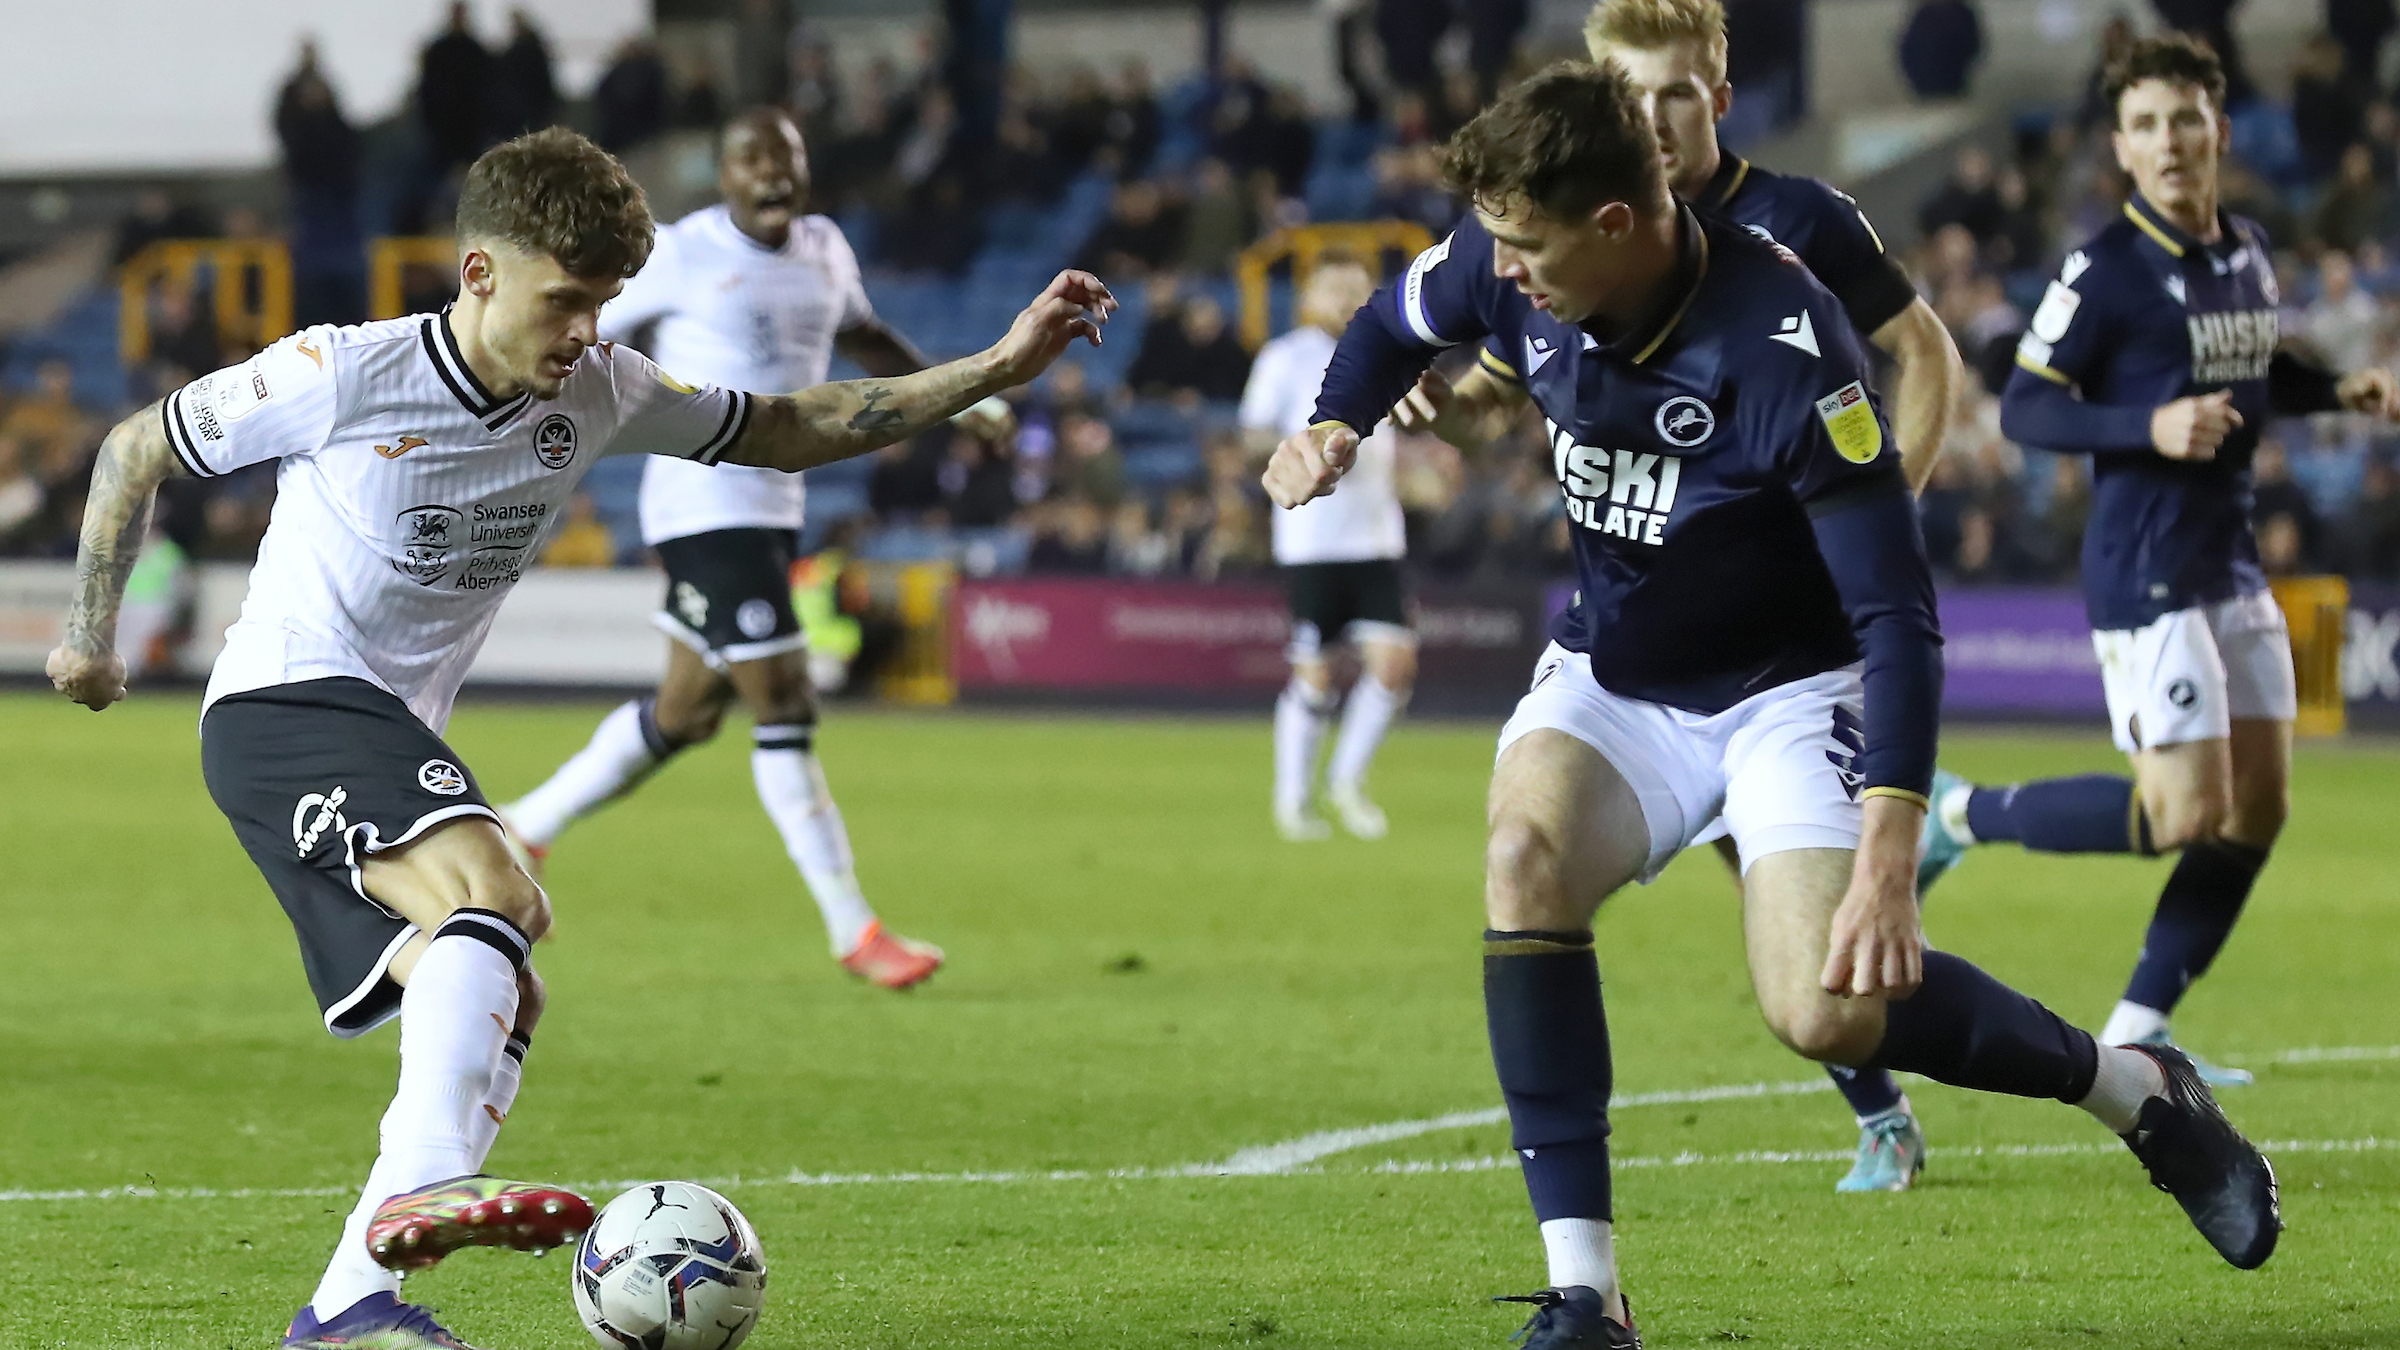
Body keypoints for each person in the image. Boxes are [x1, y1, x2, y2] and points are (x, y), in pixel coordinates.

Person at [1265, 63, 2278, 1350]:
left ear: (1616, 226)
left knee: (1824, 1009)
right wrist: (1335, 426)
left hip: (1792, 691)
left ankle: (2134, 1089)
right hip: (1620, 672)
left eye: (1528, 247)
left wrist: (1894, 856)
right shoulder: (1500, 256)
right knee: (1521, 858)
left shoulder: (1783, 347)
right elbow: (1388, 327)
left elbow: (1898, 618)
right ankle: (1588, 1298)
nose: (1502, 270)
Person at [44, 126, 1108, 1350]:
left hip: (371, 724)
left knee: (511, 973)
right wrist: (89, 635)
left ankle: (348, 1305)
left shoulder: (601, 389)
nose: (587, 330)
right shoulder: (342, 371)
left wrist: (990, 367)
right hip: (287, 703)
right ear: (480, 272)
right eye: (565, 300)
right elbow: (137, 446)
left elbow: (792, 422)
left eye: (603, 302)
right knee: (493, 886)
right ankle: (422, 1188)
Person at [1398, 0, 1969, 1194]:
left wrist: (1882, 505)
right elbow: (1504, 371)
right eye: (1625, 91)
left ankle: (1910, 883)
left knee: (1788, 905)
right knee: (1699, 860)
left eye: (1672, 92)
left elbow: (1923, 351)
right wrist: (1437, 404)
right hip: (1648, 633)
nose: (1649, 117)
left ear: (1718, 91)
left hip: (1790, 652)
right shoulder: (1560, 233)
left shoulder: (1799, 226)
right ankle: (1877, 1093)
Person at [1920, 35, 2400, 1088]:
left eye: (2186, 119)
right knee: (2179, 813)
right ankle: (1959, 814)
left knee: (2259, 807)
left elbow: (2256, 368)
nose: (2170, 141)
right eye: (2145, 125)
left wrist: (2341, 392)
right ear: (2122, 151)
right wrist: (2151, 423)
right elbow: (2033, 402)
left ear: (2220, 131)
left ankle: (2142, 1020)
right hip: (2146, 569)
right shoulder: (2104, 271)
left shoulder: (2249, 251)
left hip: (2227, 562)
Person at [499, 108, 1010, 990]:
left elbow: (865, 336)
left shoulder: (825, 249)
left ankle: (522, 824)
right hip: (703, 498)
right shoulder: (683, 252)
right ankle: (855, 929)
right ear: (724, 176)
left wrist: (959, 393)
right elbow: (583, 313)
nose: (772, 174)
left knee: (688, 712)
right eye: (751, 160)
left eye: (786, 158)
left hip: (776, 500)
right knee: (784, 700)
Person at [1241, 255, 1416, 842]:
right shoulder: (1284, 356)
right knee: (1316, 675)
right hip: (1311, 537)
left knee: (1394, 667)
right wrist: (1304, 448)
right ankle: (1292, 797)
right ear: (1307, 297)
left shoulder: (1388, 351)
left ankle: (1347, 782)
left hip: (1376, 534)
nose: (1345, 296)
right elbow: (1252, 433)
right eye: (1332, 286)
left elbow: (1406, 428)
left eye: (1354, 286)